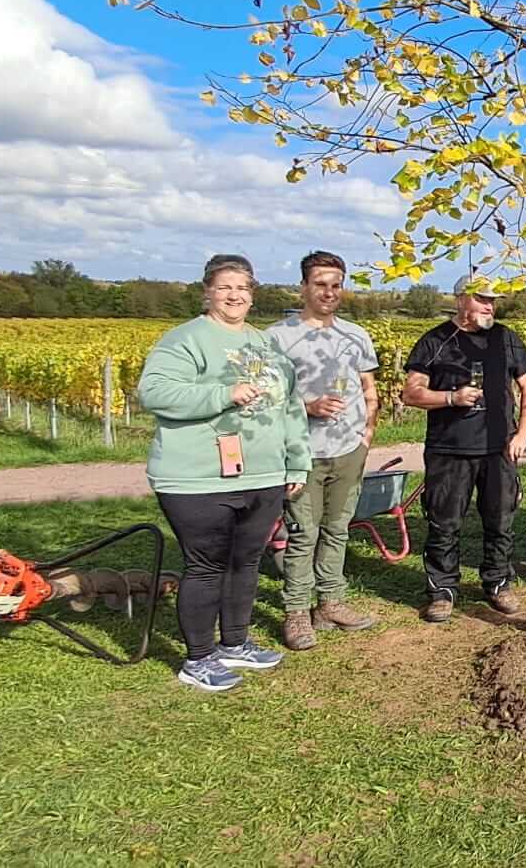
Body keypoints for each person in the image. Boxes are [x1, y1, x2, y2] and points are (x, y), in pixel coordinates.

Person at [137, 254, 309, 692]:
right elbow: (154, 391)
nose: (234, 295)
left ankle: (235, 642)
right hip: (198, 477)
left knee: (245, 562)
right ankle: (198, 657)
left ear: (253, 295)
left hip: (263, 475)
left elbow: (289, 408)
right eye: (225, 287)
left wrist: (296, 460)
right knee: (206, 565)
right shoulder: (185, 340)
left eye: (243, 288)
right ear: (207, 292)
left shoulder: (265, 345)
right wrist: (222, 393)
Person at [401, 273, 526, 622]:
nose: (489, 306)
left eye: (493, 300)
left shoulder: (505, 339)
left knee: (500, 520)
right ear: (461, 297)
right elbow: (411, 392)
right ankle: (442, 591)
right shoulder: (435, 341)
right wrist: (450, 397)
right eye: (482, 298)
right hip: (449, 450)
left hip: (499, 449)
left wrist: (522, 433)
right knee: (444, 523)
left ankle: (497, 583)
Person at [265, 251, 381, 651]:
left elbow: (369, 390)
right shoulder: (278, 338)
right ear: (304, 287)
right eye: (320, 284)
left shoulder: (356, 336)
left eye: (336, 284)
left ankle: (330, 602)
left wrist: (366, 436)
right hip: (302, 454)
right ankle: (296, 611)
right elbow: (263, 399)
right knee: (302, 534)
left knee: (338, 529)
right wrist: (307, 406)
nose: (329, 292)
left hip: (349, 449)